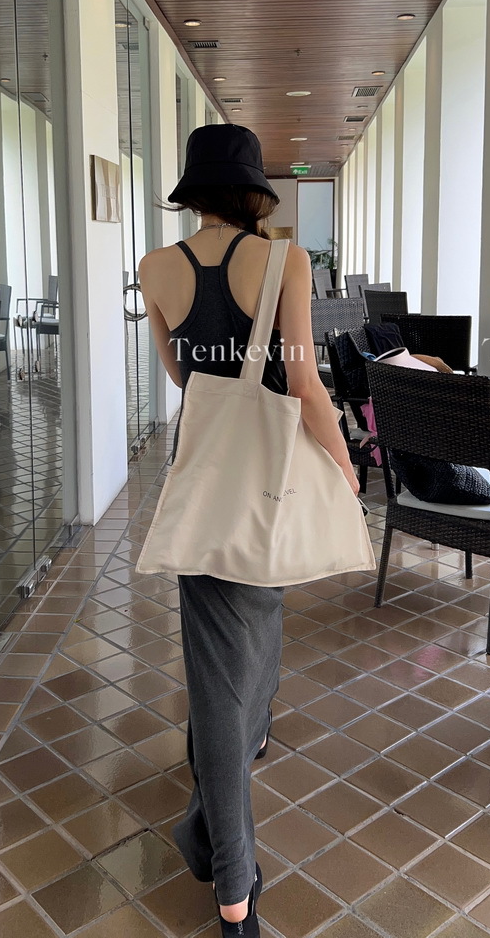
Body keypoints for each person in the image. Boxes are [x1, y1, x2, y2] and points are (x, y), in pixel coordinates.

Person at [138, 124, 359, 937]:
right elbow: (301, 382)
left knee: (229, 665)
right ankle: (234, 886)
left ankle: (208, 816)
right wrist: (345, 462)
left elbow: (182, 375)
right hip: (268, 486)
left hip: (204, 484)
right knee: (230, 685)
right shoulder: (284, 262)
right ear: (253, 193)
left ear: (192, 192)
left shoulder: (155, 267)